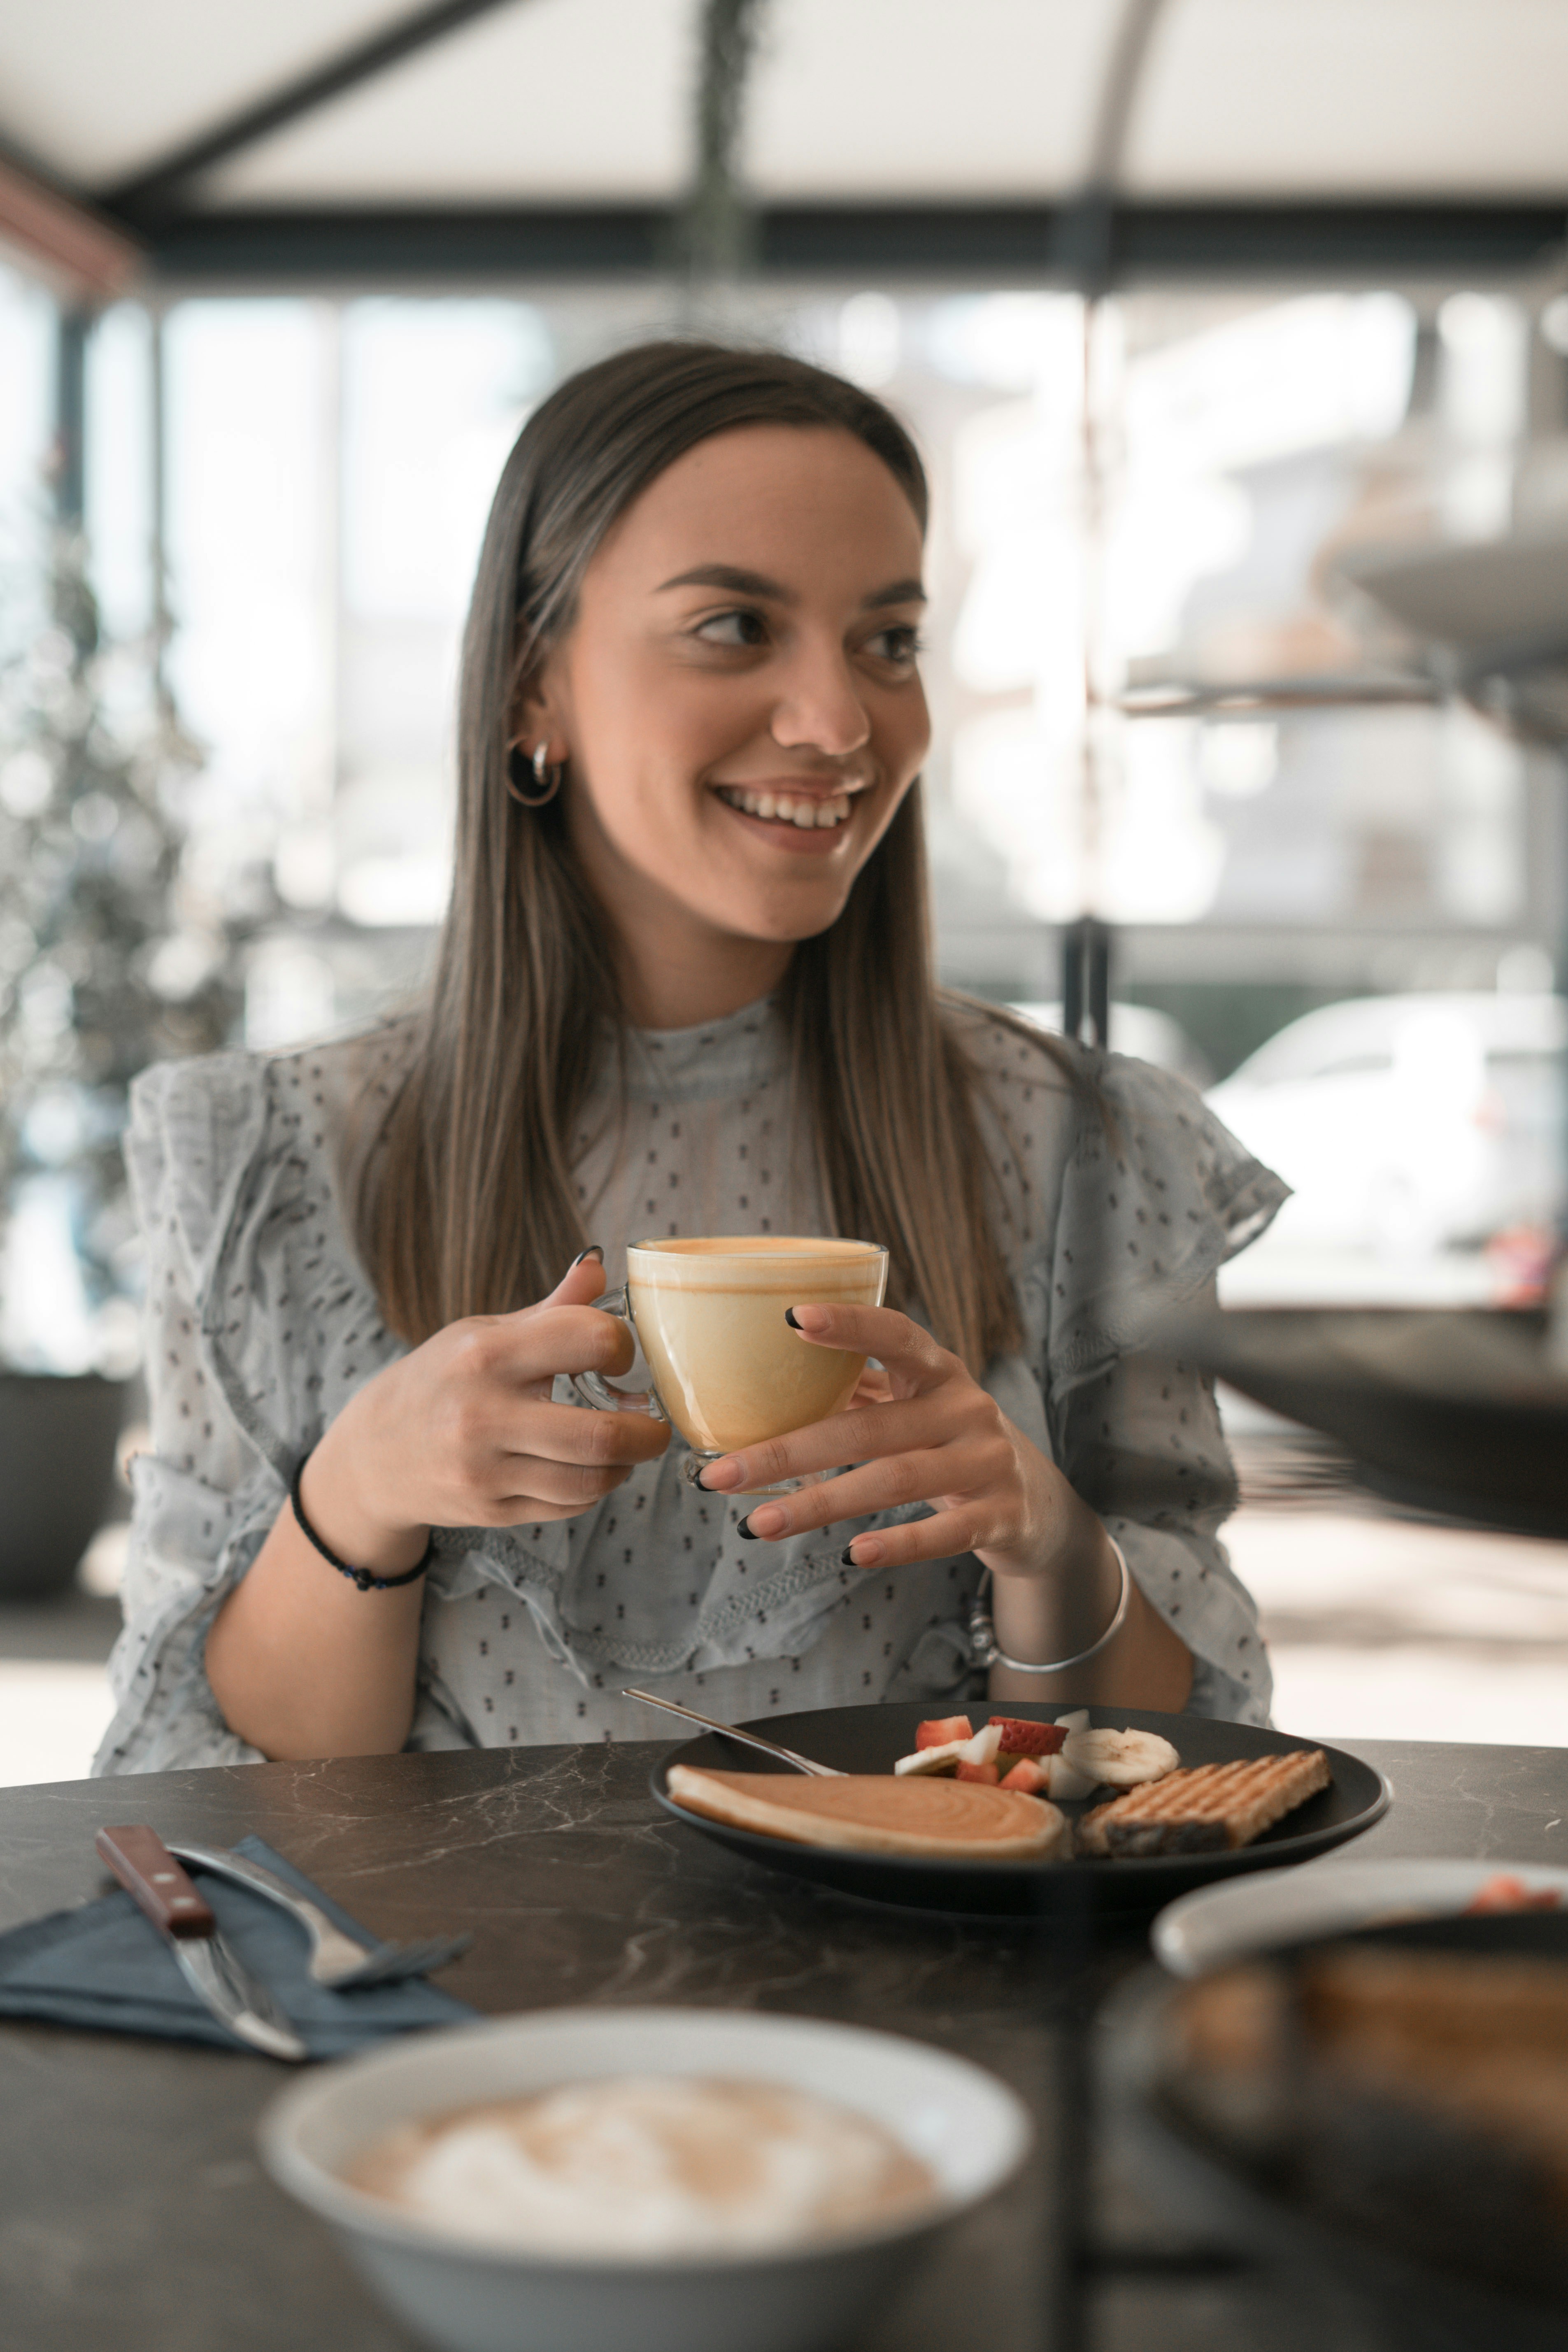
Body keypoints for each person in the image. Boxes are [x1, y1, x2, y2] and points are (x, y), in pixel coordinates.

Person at [96, 340, 1287, 1776]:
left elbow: (1193, 1768)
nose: (840, 724)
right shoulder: (261, 1156)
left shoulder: (1097, 1148)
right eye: (734, 626)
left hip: (912, 1999)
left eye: (888, 640)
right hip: (468, 1998)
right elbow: (225, 1782)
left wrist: (1045, 1542)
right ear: (533, 687)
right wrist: (360, 1490)